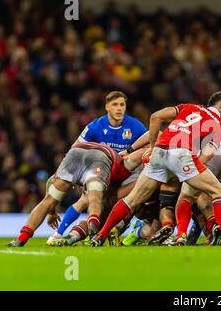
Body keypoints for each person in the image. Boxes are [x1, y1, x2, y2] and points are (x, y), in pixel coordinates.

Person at [91, 91, 221, 246]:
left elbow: (155, 117)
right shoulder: (218, 127)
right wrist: (186, 174)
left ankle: (100, 235)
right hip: (181, 154)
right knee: (219, 191)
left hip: (160, 151)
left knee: (132, 199)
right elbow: (204, 158)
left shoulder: (189, 107)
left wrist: (153, 148)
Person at [46, 91, 148, 245]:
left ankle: (111, 231)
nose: (119, 108)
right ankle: (59, 234)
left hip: (126, 174)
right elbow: (75, 149)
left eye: (122, 105)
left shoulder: (135, 125)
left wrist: (132, 152)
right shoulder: (95, 126)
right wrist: (67, 172)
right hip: (102, 172)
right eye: (115, 104)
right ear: (107, 107)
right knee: (85, 200)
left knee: (127, 201)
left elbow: (150, 143)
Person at [8, 141, 142, 247]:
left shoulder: (123, 161)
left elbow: (50, 181)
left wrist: (52, 211)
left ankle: (21, 238)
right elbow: (141, 155)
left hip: (75, 152)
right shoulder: (124, 165)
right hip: (101, 156)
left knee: (49, 200)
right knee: (95, 193)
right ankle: (93, 222)